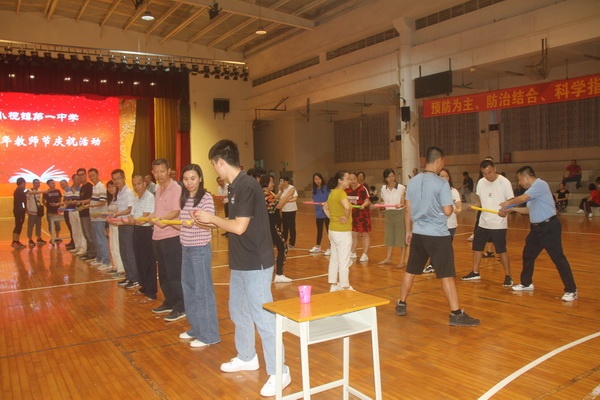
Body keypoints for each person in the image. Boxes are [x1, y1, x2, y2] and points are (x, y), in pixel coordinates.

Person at [195, 139, 291, 397]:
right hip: (240, 261)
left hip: (256, 262)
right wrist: (210, 223)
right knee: (238, 310)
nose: (215, 170)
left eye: (214, 165)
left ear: (220, 162)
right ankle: (247, 356)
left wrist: (212, 218)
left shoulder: (246, 185)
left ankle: (280, 371)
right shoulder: (234, 186)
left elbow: (239, 227)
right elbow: (236, 222)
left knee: (263, 316)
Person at [396, 146, 480, 327]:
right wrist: (451, 208)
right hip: (438, 236)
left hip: (418, 233)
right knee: (447, 275)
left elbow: (408, 209)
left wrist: (408, 231)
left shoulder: (413, 182)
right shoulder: (441, 183)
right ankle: (456, 314)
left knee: (411, 270)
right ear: (439, 160)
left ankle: (401, 303)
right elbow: (448, 210)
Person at [500, 166, 578, 302]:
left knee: (558, 258)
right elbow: (528, 210)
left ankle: (572, 290)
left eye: (520, 180)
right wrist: (512, 210)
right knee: (528, 255)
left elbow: (522, 199)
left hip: (549, 228)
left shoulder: (540, 185)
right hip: (536, 229)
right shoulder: (531, 192)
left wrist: (508, 204)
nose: (519, 183)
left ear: (527, 177)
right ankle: (526, 283)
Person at [179, 164, 221, 348]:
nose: (189, 182)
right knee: (188, 289)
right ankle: (196, 328)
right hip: (186, 248)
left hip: (200, 249)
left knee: (203, 291)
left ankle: (209, 335)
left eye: (193, 178)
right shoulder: (185, 198)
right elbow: (181, 222)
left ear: (200, 179)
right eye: (186, 179)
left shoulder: (206, 198)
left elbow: (211, 225)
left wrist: (194, 223)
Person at [462, 159, 514, 287]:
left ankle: (508, 276)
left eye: (489, 172)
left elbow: (511, 201)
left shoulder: (504, 182)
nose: (487, 176)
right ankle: (475, 272)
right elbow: (480, 201)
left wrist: (505, 210)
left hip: (498, 223)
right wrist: (474, 206)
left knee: (501, 249)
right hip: (483, 222)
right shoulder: (481, 182)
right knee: (477, 247)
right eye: (484, 173)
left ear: (494, 169)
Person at [149, 158, 185, 322]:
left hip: (171, 237)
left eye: (162, 171)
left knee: (174, 274)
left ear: (169, 171)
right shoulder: (158, 188)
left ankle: (180, 306)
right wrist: (152, 217)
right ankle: (169, 301)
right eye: (156, 172)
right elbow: (159, 211)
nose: (159, 175)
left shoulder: (176, 188)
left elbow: (176, 211)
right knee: (163, 274)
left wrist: (162, 219)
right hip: (157, 236)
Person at [423, 168, 462, 274]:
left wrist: (458, 209)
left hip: (450, 225)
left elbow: (458, 205)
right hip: (437, 224)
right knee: (435, 245)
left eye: (446, 176)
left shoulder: (453, 191)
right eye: (442, 176)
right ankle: (432, 264)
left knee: (446, 248)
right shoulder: (434, 191)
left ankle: (447, 268)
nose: (444, 178)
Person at [323, 170, 353, 291]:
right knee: (344, 260)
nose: (350, 181)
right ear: (340, 180)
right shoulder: (341, 193)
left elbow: (325, 208)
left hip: (333, 230)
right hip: (342, 232)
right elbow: (347, 207)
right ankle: (345, 285)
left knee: (334, 258)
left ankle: (334, 284)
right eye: (347, 178)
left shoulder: (332, 193)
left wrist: (333, 218)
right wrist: (346, 217)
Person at [260, 174, 294, 283]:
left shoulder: (266, 193)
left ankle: (268, 272)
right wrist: (288, 193)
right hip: (272, 225)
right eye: (271, 182)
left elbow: (276, 199)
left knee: (270, 248)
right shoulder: (266, 194)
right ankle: (279, 274)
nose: (273, 184)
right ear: (266, 182)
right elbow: (278, 205)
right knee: (283, 247)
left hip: (268, 225)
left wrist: (283, 193)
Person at [109, 169, 138, 289]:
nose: (117, 181)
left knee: (129, 252)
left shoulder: (128, 192)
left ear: (124, 178)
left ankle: (134, 278)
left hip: (128, 225)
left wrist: (117, 214)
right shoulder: (119, 193)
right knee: (123, 251)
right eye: (114, 179)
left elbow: (130, 209)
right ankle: (128, 276)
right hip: (121, 224)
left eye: (119, 178)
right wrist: (115, 215)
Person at [129, 175, 156, 303]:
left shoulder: (150, 197)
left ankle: (151, 292)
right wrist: (133, 220)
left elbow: (144, 217)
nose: (136, 187)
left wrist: (134, 220)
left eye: (139, 183)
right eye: (134, 184)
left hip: (146, 232)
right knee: (139, 260)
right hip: (136, 231)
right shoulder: (135, 199)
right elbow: (132, 216)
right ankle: (143, 287)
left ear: (144, 184)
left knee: (147, 262)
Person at [378, 168, 407, 269]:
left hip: (399, 213)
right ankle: (388, 258)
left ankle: (402, 261)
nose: (391, 178)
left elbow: (403, 202)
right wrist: (381, 205)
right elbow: (382, 200)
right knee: (389, 236)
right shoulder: (383, 189)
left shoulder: (401, 188)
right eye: (388, 177)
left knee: (401, 238)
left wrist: (401, 204)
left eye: (392, 176)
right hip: (388, 214)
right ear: (385, 178)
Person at [86, 168, 110, 269]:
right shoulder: (94, 187)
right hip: (94, 217)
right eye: (90, 176)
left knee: (101, 239)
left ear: (98, 175)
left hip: (100, 217)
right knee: (96, 239)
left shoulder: (101, 187)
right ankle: (99, 258)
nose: (92, 178)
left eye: (93, 175)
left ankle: (106, 261)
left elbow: (103, 202)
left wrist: (91, 206)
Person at [346, 172, 371, 262]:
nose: (352, 181)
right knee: (354, 234)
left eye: (354, 179)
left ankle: (365, 254)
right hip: (352, 216)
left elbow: (367, 201)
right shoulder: (346, 190)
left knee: (364, 234)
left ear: (357, 179)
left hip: (363, 215)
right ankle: (353, 252)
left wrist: (363, 205)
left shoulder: (362, 189)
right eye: (350, 179)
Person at [105, 180, 125, 278]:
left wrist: (111, 216)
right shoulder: (111, 200)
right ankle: (115, 266)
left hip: (117, 225)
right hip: (111, 225)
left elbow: (119, 212)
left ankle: (121, 269)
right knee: (112, 246)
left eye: (113, 186)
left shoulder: (119, 199)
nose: (111, 189)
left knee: (117, 246)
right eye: (109, 187)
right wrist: (107, 216)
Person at [76, 168, 97, 261]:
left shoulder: (89, 186)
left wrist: (80, 203)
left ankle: (93, 253)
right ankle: (89, 252)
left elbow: (90, 200)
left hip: (88, 214)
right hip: (82, 213)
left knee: (89, 235)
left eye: (82, 174)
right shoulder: (82, 187)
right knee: (85, 235)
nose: (81, 176)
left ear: (85, 175)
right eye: (79, 175)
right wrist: (79, 204)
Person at [308, 173, 331, 255]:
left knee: (329, 231)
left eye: (319, 179)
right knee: (319, 230)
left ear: (322, 179)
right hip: (318, 213)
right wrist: (312, 202)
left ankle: (331, 247)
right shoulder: (314, 190)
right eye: (315, 179)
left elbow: (330, 199)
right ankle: (318, 246)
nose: (317, 181)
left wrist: (325, 203)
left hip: (327, 213)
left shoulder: (326, 188)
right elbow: (315, 200)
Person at [26, 178, 46, 247]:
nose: (38, 184)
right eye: (36, 183)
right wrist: (27, 209)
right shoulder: (29, 190)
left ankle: (39, 238)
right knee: (30, 226)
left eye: (38, 183)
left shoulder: (39, 191)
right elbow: (29, 194)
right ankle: (30, 239)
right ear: (33, 184)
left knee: (39, 225)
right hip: (32, 211)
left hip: (38, 212)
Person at [279, 176, 298, 248]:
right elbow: (279, 198)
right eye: (282, 181)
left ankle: (292, 243)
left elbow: (295, 198)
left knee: (291, 227)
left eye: (284, 181)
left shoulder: (292, 188)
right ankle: (284, 241)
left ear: (287, 181)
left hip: (291, 210)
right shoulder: (281, 189)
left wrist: (287, 200)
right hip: (284, 210)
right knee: (285, 227)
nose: (283, 183)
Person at [43, 179, 62, 244]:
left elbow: (60, 199)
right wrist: (48, 206)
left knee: (58, 224)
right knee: (50, 225)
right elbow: (43, 201)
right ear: (48, 184)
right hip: (49, 211)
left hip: (57, 210)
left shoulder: (58, 191)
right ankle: (52, 237)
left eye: (54, 183)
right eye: (52, 183)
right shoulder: (46, 192)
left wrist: (58, 205)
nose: (54, 184)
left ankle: (57, 237)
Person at [11, 177, 28, 249]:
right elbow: (29, 191)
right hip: (19, 211)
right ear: (23, 183)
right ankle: (14, 242)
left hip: (21, 210)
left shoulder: (20, 190)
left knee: (19, 226)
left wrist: (25, 209)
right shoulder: (21, 189)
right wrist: (43, 191)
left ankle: (17, 241)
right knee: (18, 226)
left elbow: (23, 202)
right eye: (25, 183)